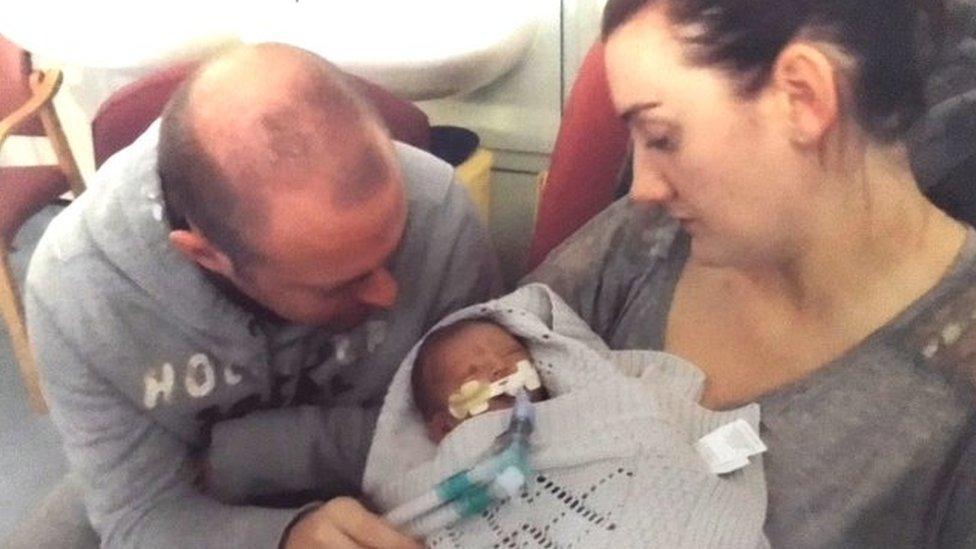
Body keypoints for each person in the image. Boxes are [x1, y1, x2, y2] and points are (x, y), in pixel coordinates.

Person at [525, 0, 976, 547]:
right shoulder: (648, 240)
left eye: (663, 137)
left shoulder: (952, 403)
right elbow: (483, 363)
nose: (641, 187)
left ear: (803, 96)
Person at [23, 43, 501, 548]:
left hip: (380, 466)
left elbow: (468, 433)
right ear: (206, 256)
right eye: (340, 283)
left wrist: (248, 456)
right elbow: (143, 514)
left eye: (395, 244)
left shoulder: (440, 210)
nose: (389, 294)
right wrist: (285, 536)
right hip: (185, 491)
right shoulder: (79, 291)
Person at [365, 283, 770, 548]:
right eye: (474, 374)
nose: (501, 371)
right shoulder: (446, 466)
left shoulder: (582, 416)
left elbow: (642, 437)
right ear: (442, 426)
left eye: (511, 357)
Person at [410, 319, 547, 442]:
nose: (500, 366)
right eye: (473, 374)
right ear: (445, 428)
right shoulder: (451, 465)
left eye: (511, 353)